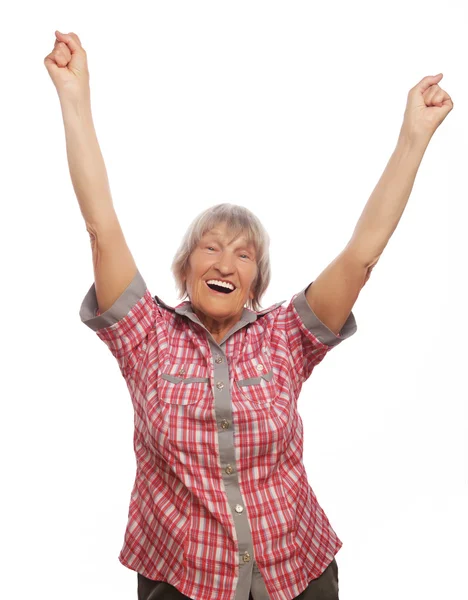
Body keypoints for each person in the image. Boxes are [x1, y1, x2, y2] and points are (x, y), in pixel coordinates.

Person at [44, 30, 453, 600]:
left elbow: (362, 256)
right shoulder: (146, 337)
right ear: (186, 267)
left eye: (243, 253)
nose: (226, 261)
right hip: (184, 582)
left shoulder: (285, 336)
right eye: (210, 247)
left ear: (256, 282)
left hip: (298, 574)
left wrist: (414, 137)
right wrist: (74, 96)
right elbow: (101, 227)